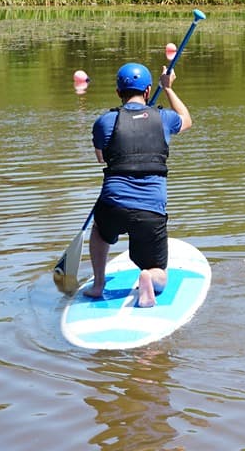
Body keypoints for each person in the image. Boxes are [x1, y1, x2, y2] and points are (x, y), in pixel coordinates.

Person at [84, 62, 192, 307]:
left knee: (100, 232)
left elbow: (101, 157)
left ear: (118, 92)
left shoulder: (105, 121)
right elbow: (187, 120)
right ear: (148, 90)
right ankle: (149, 277)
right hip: (150, 210)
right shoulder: (163, 118)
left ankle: (98, 283)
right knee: (159, 272)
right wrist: (168, 88)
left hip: (113, 204)